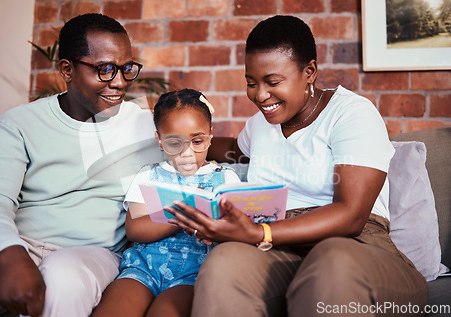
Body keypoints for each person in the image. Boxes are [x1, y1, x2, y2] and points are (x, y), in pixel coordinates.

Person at [166, 15, 428, 316]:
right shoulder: (260, 125)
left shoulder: (352, 114)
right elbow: (230, 150)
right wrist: (185, 140)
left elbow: (352, 215)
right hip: (279, 249)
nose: (260, 95)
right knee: (222, 265)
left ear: (309, 72)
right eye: (252, 83)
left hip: (356, 245)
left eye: (273, 82)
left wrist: (259, 233)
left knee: (331, 260)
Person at [0, 13, 162, 317]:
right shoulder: (20, 123)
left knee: (63, 279)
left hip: (94, 253)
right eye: (104, 69)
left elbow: (198, 157)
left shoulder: (147, 128)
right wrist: (10, 255)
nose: (119, 82)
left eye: (126, 68)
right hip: (18, 241)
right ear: (67, 69)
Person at [91, 89, 241, 317]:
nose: (187, 153)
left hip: (193, 275)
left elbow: (236, 232)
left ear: (210, 134)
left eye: (197, 141)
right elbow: (135, 229)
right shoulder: (149, 176)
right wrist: (182, 215)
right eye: (174, 143)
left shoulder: (225, 179)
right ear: (159, 140)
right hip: (142, 270)